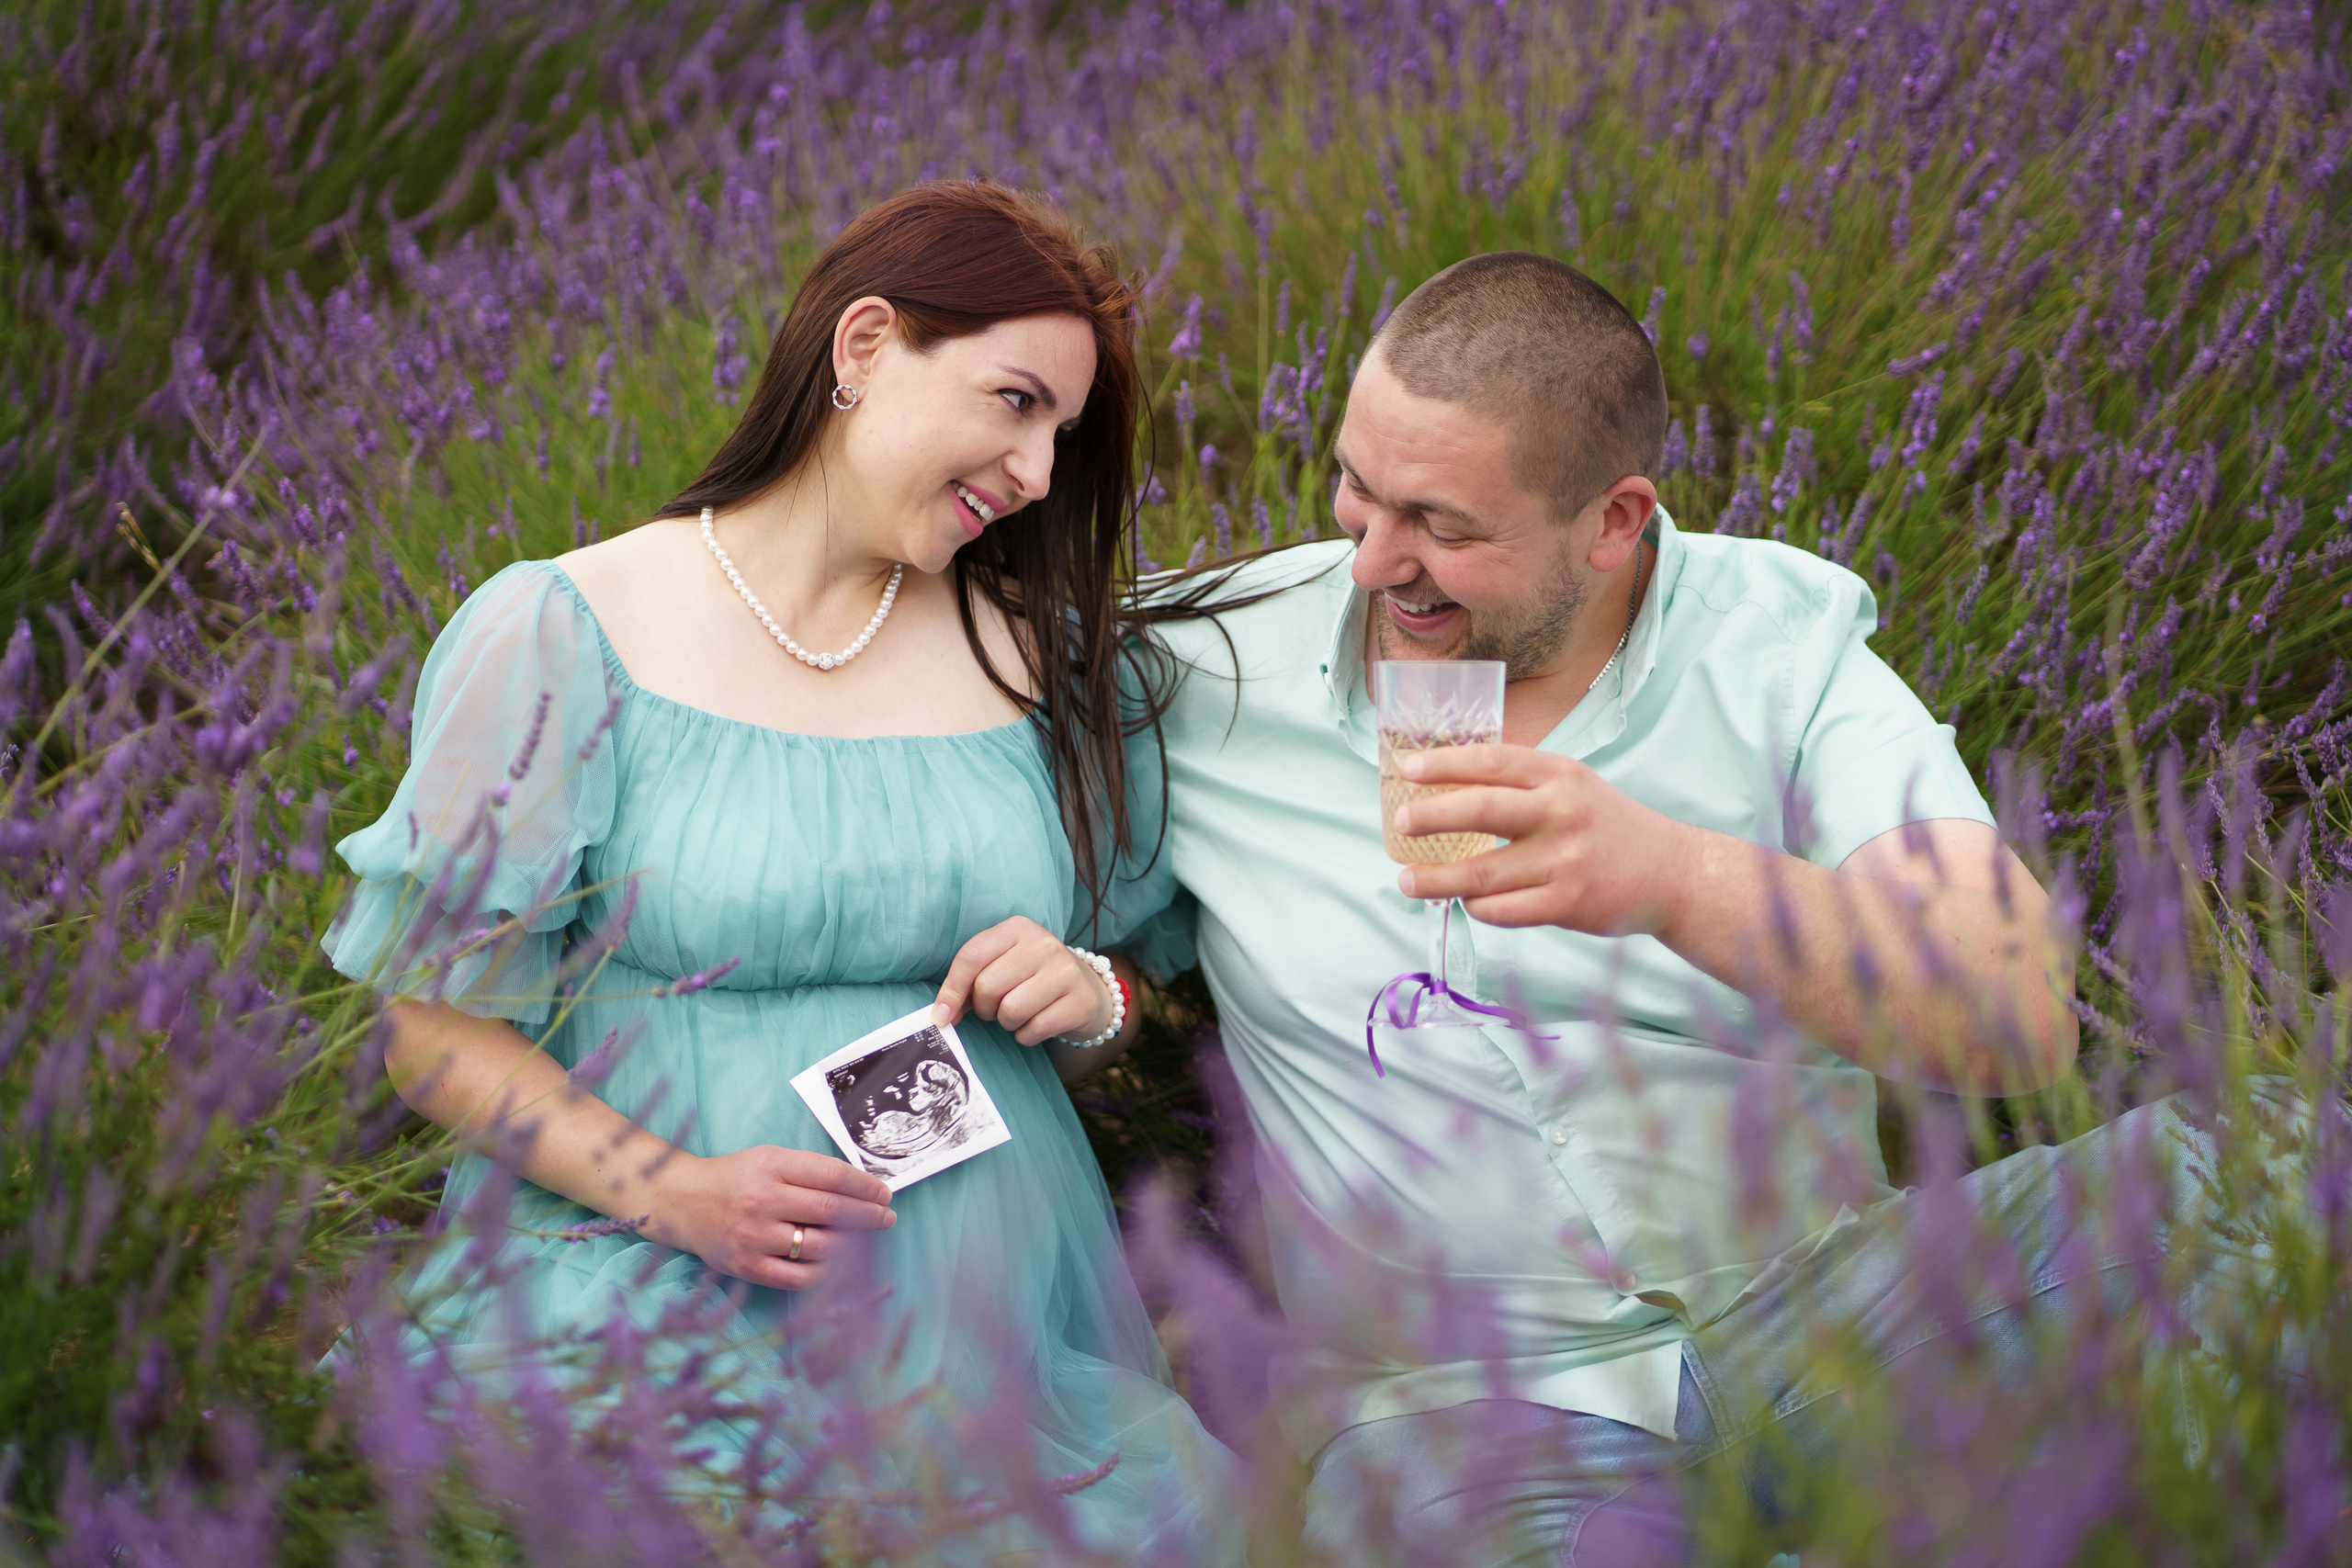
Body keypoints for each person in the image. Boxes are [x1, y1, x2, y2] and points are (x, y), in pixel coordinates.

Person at [1109, 252, 2273, 1564]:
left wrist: (1675, 881)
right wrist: (1084, 993)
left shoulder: (1779, 641)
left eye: (1442, 525)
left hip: (1835, 1322)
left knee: (2282, 1156)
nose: (1374, 562)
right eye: (1356, 489)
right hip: (1464, 1421)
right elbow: (938, 755)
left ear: (1614, 522)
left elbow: (2012, 1016)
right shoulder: (1210, 670)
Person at [322, 181, 1238, 1562]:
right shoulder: (567, 631)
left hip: (980, 1340)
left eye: (1063, 432)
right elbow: (430, 1028)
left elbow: (1122, 1001)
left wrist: (1085, 1000)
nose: (1042, 473)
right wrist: (670, 1190)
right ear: (865, 346)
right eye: (1013, 402)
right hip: (633, 1279)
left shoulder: (1049, 665)